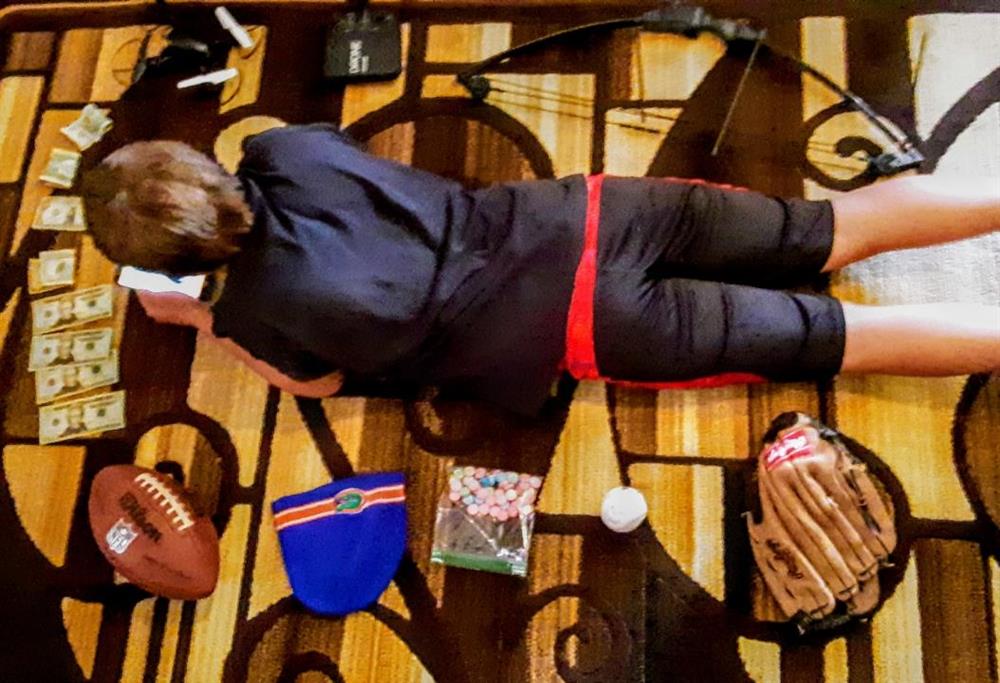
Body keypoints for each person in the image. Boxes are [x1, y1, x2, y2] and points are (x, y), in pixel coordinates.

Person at [80, 125, 1000, 415]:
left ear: (176, 265)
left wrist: (204, 319)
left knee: (833, 336)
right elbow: (305, 150)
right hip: (594, 214)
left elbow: (316, 384)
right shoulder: (281, 148)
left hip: (583, 326)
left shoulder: (250, 312)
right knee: (828, 227)